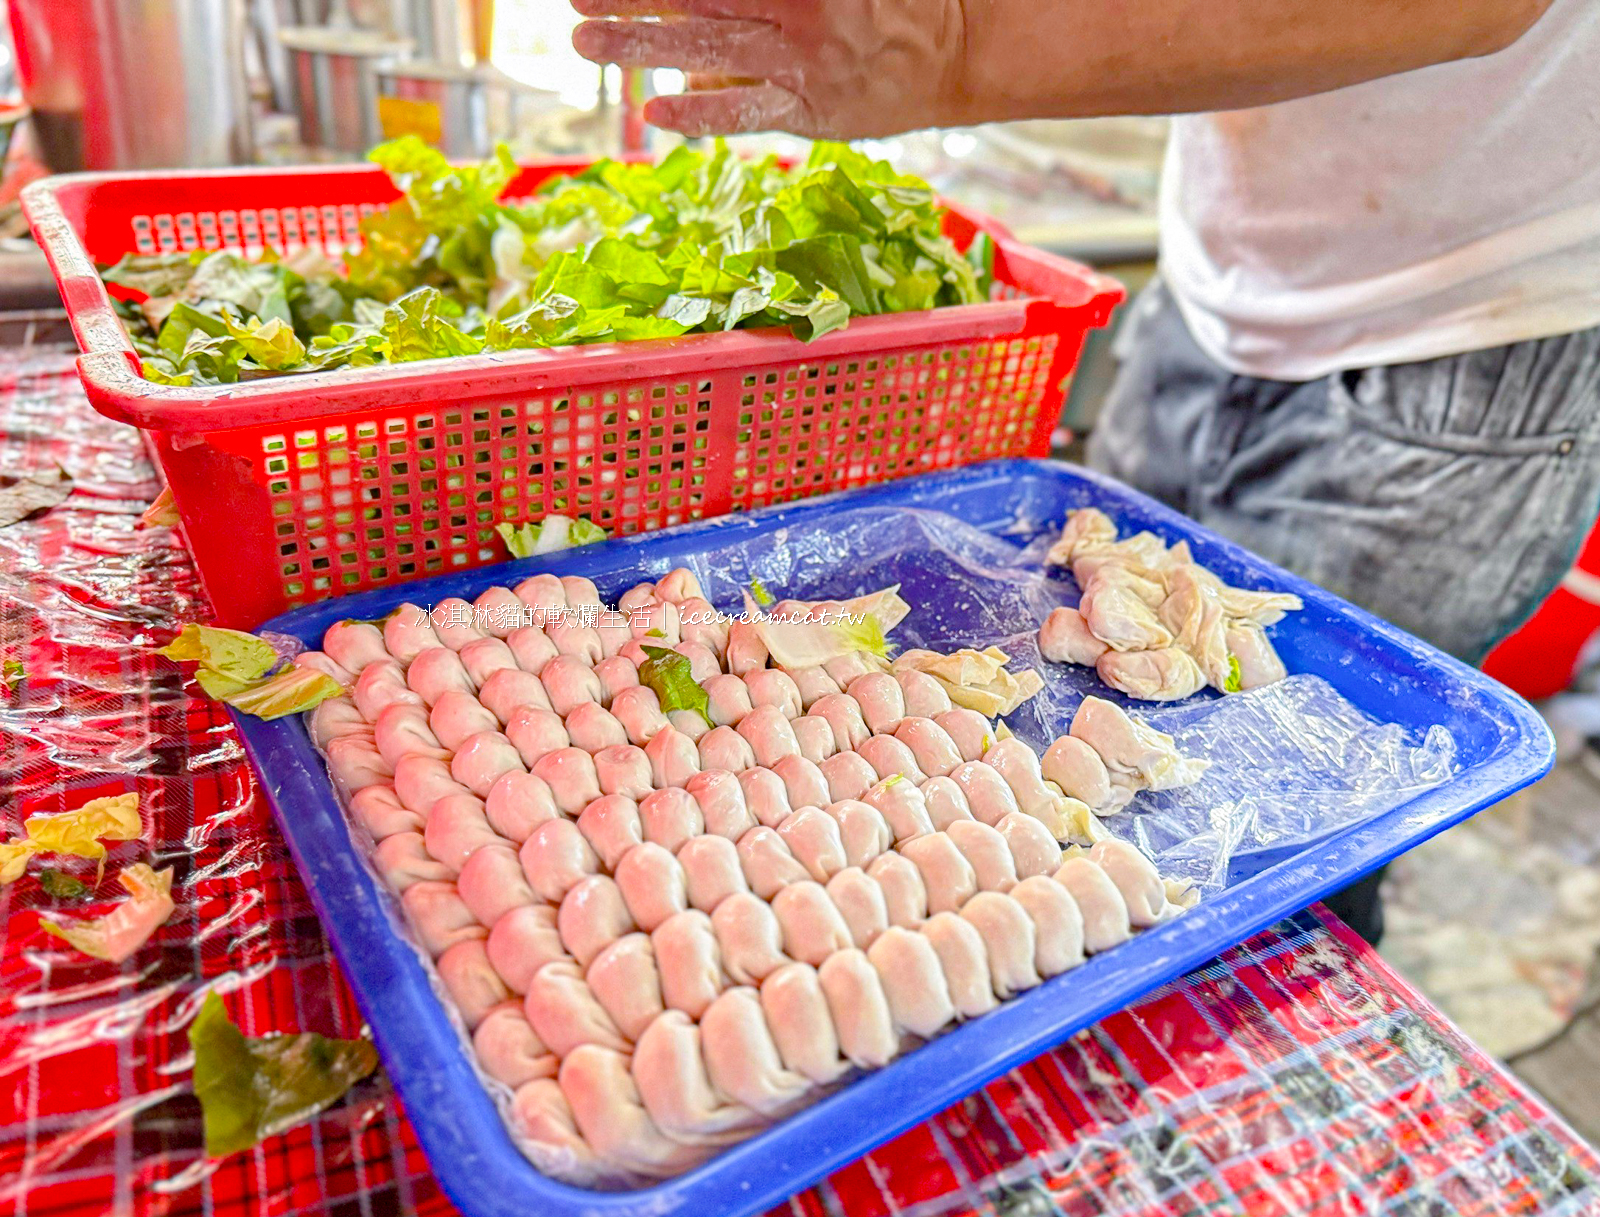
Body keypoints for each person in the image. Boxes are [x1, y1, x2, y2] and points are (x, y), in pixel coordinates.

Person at [568, 0, 1600, 942]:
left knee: (1292, 846)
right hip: (1214, 281)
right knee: (1110, 703)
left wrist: (959, 49)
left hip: (1468, 338)